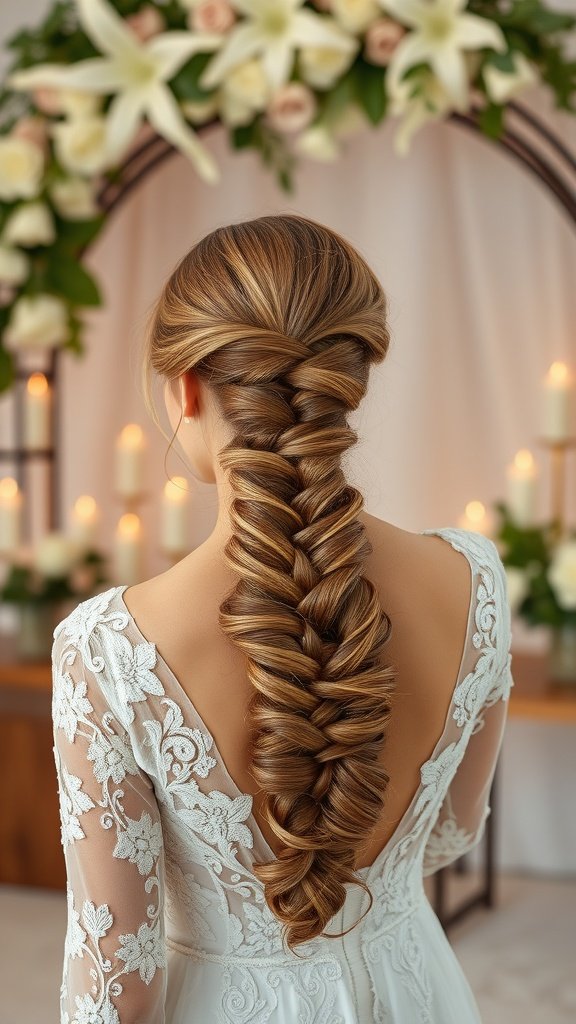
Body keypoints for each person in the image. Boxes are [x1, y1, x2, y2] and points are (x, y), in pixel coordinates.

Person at [51, 213, 513, 1023]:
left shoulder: (109, 651)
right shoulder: (474, 580)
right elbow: (451, 833)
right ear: (351, 378)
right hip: (417, 992)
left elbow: (115, 985)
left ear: (186, 388)